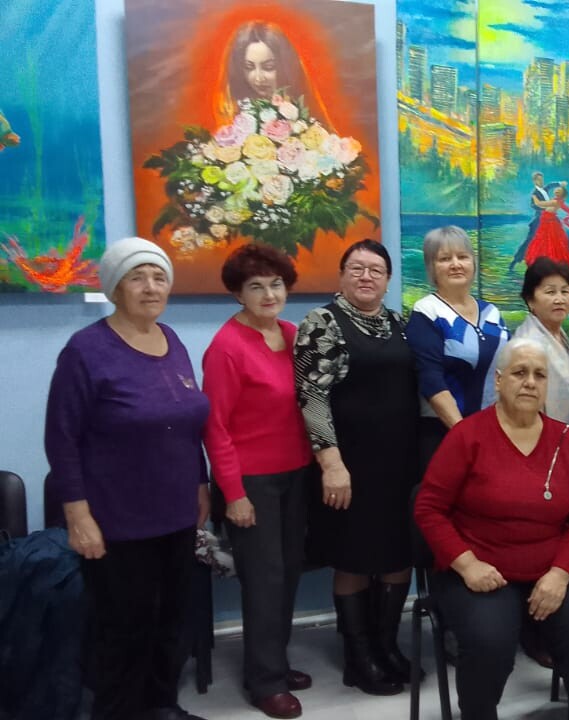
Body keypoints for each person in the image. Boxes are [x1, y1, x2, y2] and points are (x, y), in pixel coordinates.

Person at [45, 237, 211, 720]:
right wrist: (78, 516)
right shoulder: (86, 350)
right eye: (137, 277)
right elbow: (61, 439)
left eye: (159, 277)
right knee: (123, 631)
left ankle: (162, 705)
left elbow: (187, 423)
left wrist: (200, 482)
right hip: (116, 519)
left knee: (170, 620)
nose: (151, 287)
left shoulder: (172, 340)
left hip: (176, 513)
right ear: (115, 288)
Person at [415, 339, 569, 720]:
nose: (530, 382)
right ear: (500, 380)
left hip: (553, 571)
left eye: (540, 375)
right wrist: (467, 564)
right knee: (489, 642)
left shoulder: (566, 439)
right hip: (481, 573)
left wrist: (561, 573)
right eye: (520, 373)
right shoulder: (467, 436)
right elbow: (429, 508)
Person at [294, 240, 417, 695]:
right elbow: (312, 396)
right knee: (354, 557)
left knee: (397, 555)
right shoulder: (322, 322)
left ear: (387, 279)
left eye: (376, 270)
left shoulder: (399, 323)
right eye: (357, 268)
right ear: (342, 275)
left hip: (398, 466)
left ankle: (386, 646)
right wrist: (331, 462)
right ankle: (358, 657)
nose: (367, 276)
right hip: (349, 467)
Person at [202, 245, 312, 719]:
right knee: (264, 581)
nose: (269, 294)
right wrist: (235, 494)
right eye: (256, 287)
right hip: (252, 482)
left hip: (296, 473)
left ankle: (275, 662)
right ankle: (264, 681)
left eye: (276, 284)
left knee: (288, 573)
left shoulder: (290, 334)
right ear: (237, 294)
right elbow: (215, 428)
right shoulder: (226, 347)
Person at [406, 225, 509, 473]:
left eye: (462, 256)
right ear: (432, 267)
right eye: (444, 259)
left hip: (495, 432)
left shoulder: (492, 312)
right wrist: (465, 436)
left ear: (473, 262)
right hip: (446, 434)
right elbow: (431, 381)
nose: (455, 264)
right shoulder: (427, 312)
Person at [512, 257, 569, 443]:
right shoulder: (527, 345)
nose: (559, 299)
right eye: (550, 292)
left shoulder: (559, 336)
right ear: (530, 300)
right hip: (541, 444)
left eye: (565, 291)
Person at [217, 22, 328, 126]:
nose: (259, 78)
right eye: (249, 67)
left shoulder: (304, 115)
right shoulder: (235, 114)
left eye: (268, 67)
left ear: (283, 67)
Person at [524, 185, 569, 277]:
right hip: (546, 225)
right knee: (546, 245)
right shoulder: (557, 201)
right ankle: (546, 267)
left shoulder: (555, 202)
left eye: (559, 191)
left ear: (562, 194)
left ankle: (550, 267)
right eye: (557, 189)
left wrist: (534, 196)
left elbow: (539, 204)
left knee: (549, 245)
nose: (557, 191)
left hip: (549, 226)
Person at [509, 172, 561, 273]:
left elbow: (550, 185)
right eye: (539, 180)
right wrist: (544, 208)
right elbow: (533, 205)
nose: (541, 181)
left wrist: (559, 183)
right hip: (539, 220)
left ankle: (549, 264)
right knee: (530, 240)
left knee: (551, 241)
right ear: (535, 181)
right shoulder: (535, 193)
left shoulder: (544, 190)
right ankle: (516, 260)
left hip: (548, 219)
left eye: (542, 179)